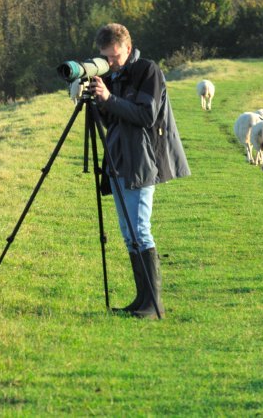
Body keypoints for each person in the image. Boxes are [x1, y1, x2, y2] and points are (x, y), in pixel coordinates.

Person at [89, 23, 190, 319]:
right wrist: (99, 103)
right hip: (119, 159)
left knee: (140, 231)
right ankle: (141, 299)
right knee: (128, 232)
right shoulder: (114, 75)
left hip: (143, 161)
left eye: (114, 56)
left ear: (128, 49)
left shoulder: (148, 71)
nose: (110, 62)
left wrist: (109, 98)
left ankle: (153, 304)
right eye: (105, 57)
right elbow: (114, 121)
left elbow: (146, 115)